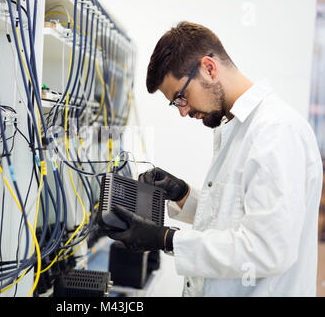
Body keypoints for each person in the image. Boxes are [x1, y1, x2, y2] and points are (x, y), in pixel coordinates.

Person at [104, 21, 323, 296]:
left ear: (209, 68)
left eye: (180, 98)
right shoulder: (235, 127)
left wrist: (167, 239)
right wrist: (183, 194)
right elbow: (237, 217)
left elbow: (268, 249)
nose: (182, 112)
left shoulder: (275, 131)